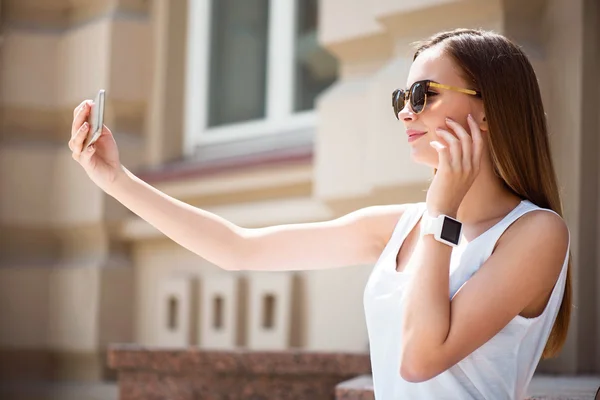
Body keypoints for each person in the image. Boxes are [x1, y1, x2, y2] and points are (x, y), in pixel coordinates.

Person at [68, 28, 571, 400]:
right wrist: (116, 180)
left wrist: (442, 208)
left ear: (487, 109)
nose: (405, 112)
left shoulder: (535, 234)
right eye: (402, 97)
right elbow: (238, 248)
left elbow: (420, 358)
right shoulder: (400, 227)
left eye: (423, 95)